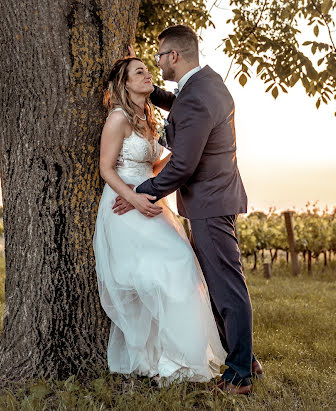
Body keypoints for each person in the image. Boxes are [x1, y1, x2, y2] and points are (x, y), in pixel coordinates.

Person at [113, 25, 261, 394]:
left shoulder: (197, 96)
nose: (156, 62)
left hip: (210, 203)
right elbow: (179, 104)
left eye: (159, 56)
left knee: (226, 289)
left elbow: (182, 166)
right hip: (217, 199)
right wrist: (146, 88)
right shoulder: (203, 85)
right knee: (220, 285)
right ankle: (246, 359)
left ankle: (240, 373)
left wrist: (138, 194)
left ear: (174, 57)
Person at [92, 56, 226, 386]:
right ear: (125, 84)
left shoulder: (148, 118)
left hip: (150, 200)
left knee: (179, 265)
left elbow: (153, 167)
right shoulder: (118, 119)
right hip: (124, 205)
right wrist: (134, 197)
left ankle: (179, 360)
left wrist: (184, 150)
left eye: (148, 70)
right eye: (139, 72)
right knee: (152, 275)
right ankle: (152, 360)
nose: (147, 75)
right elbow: (106, 168)